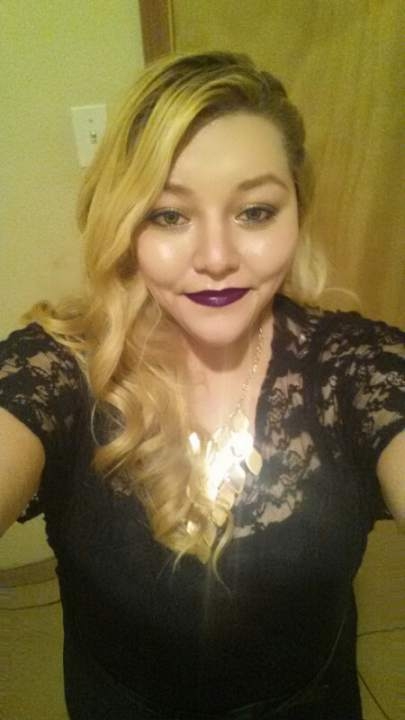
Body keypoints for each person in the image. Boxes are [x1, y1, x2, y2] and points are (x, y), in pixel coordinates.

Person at [0, 51, 404, 720]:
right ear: (122, 224)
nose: (216, 258)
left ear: (296, 213)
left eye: (255, 212)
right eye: (169, 215)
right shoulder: (58, 367)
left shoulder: (356, 366)